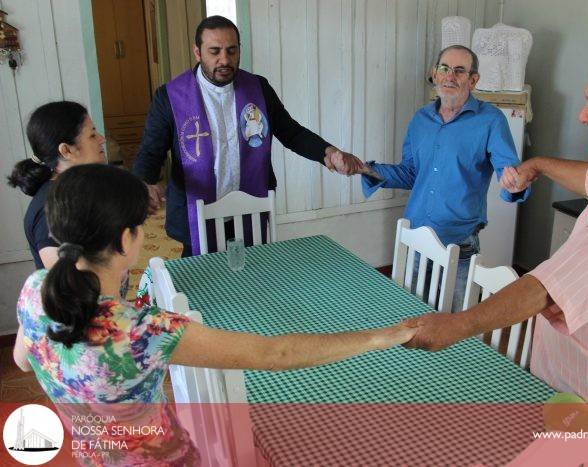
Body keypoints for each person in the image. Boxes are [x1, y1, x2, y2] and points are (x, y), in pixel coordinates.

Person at [13, 164, 417, 463]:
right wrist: (381, 337)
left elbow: (24, 362)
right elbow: (274, 355)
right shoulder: (140, 331)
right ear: (125, 240)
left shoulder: (35, 290)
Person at [404, 50, 588, 433]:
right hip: (581, 387)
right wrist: (538, 164)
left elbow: (547, 289)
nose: (583, 115)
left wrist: (458, 325)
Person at [132, 15, 364, 257]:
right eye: (215, 51)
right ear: (198, 52)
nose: (225, 60)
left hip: (249, 207)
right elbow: (151, 151)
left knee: (253, 282)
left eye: (232, 51)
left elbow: (291, 132)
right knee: (203, 286)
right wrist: (143, 184)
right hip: (197, 211)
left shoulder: (258, 88)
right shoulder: (170, 97)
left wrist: (327, 152)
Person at [354, 45, 530, 310]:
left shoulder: (491, 120)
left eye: (460, 71)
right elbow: (411, 173)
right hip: (416, 236)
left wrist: (514, 182)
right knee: (408, 314)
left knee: (454, 323)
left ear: (473, 80)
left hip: (459, 242)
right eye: (445, 69)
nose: (450, 76)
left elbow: (509, 172)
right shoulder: (420, 119)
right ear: (435, 74)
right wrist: (364, 169)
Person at [7, 101, 106, 269]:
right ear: (66, 150)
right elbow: (67, 285)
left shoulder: (71, 192)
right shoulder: (52, 209)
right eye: (92, 135)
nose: (102, 139)